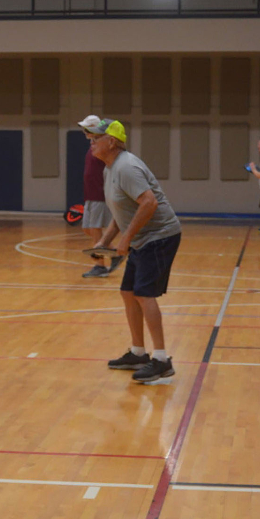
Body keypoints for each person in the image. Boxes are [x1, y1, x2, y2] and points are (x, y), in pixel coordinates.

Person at [83, 119, 182, 383]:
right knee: (128, 292)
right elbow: (122, 211)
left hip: (159, 236)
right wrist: (105, 240)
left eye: (95, 139)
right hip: (142, 237)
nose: (91, 144)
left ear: (111, 142)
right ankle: (138, 352)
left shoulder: (126, 167)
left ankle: (161, 360)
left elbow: (148, 202)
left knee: (144, 294)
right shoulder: (109, 169)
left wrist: (125, 239)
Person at [77, 115, 123, 278]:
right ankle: (115, 253)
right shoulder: (93, 147)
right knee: (88, 228)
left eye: (88, 128)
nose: (85, 131)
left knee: (95, 228)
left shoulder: (104, 147)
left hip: (99, 194)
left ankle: (100, 265)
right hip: (90, 194)